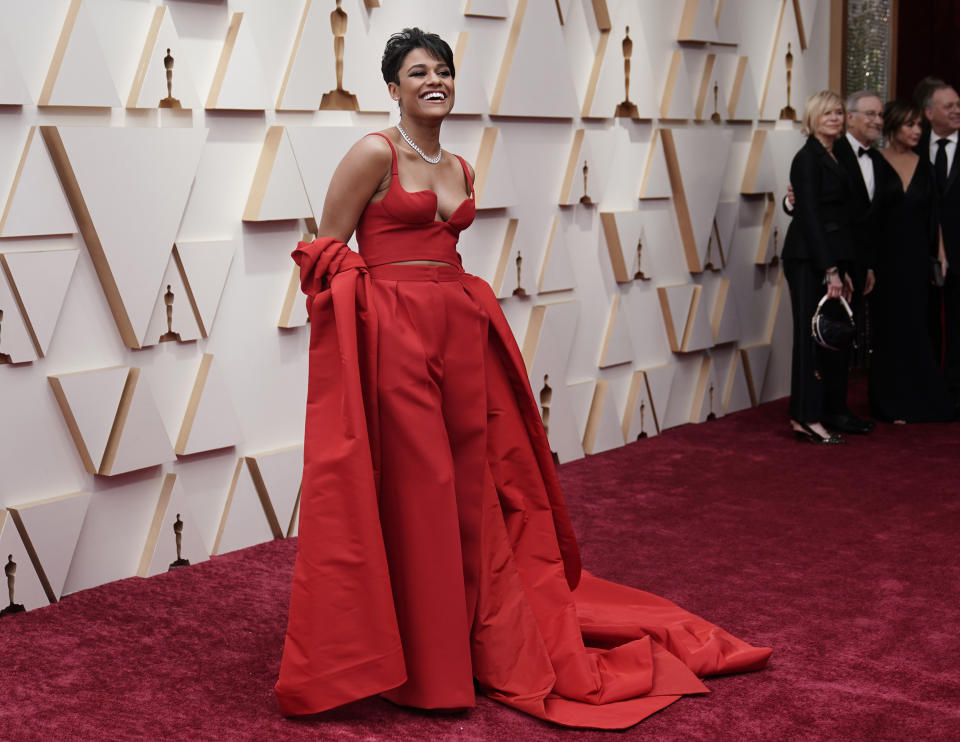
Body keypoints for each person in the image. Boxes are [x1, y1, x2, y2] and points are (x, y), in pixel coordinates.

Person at [274, 28, 770, 730]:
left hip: (462, 339)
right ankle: (426, 665)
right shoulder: (372, 153)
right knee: (423, 493)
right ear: (393, 86)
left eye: (443, 70)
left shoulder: (459, 166)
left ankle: (473, 643)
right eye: (418, 72)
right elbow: (324, 251)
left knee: (475, 495)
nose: (433, 80)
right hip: (397, 344)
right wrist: (377, 305)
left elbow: (441, 253)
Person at [868, 100, 953, 422]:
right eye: (910, 125)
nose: (917, 131)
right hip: (884, 259)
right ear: (892, 126)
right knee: (888, 330)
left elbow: (936, 216)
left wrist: (941, 254)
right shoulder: (874, 161)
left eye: (920, 125)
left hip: (917, 259)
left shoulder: (926, 167)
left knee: (917, 327)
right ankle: (889, 403)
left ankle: (920, 399)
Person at [781, 90, 854, 444]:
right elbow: (809, 214)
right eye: (827, 113)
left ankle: (806, 415)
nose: (835, 118)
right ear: (812, 118)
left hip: (824, 256)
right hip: (806, 257)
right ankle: (806, 418)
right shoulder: (807, 157)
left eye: (839, 113)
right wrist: (830, 270)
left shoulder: (836, 153)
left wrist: (840, 265)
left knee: (819, 340)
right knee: (807, 340)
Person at [919, 81, 960, 412]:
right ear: (929, 113)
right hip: (922, 252)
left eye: (958, 104)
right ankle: (930, 390)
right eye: (948, 106)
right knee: (926, 321)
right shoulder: (913, 149)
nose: (956, 110)